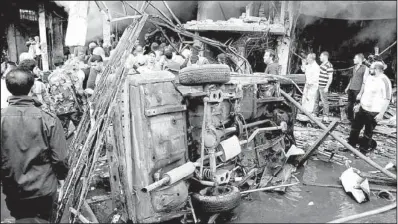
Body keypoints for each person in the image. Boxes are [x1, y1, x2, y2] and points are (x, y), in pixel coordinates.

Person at [1, 68, 69, 221]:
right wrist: (61, 177)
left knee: (21, 219)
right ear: (31, 87)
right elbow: (60, 159)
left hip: (13, 189)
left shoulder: (2, 118)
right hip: (44, 188)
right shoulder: (48, 119)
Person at [346, 61, 392, 155]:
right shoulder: (369, 78)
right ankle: (350, 146)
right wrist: (359, 105)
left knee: (368, 132)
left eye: (371, 68)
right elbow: (365, 93)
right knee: (355, 128)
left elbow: (387, 99)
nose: (369, 70)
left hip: (374, 111)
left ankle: (363, 151)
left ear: (377, 69)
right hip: (363, 108)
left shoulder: (384, 80)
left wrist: (381, 114)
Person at [48, 58, 85, 136]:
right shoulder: (70, 73)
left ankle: (63, 147)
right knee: (80, 128)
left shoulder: (50, 76)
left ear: (54, 64)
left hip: (59, 108)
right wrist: (83, 100)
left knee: (62, 132)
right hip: (73, 106)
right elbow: (79, 90)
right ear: (63, 63)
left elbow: (50, 92)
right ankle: (81, 146)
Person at [344, 53, 369, 122]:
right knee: (349, 106)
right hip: (351, 89)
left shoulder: (365, 68)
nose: (353, 59)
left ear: (359, 59)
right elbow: (351, 78)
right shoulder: (354, 67)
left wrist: (360, 93)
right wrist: (347, 87)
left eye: (355, 58)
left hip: (358, 90)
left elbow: (364, 82)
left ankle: (358, 122)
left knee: (358, 107)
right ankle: (351, 120)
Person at [314, 51, 334, 122]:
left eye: (321, 56)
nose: (320, 57)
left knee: (324, 101)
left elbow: (330, 77)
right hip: (318, 85)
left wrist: (327, 87)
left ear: (325, 56)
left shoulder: (329, 65)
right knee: (316, 100)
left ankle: (325, 116)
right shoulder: (322, 64)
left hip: (323, 87)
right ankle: (315, 113)